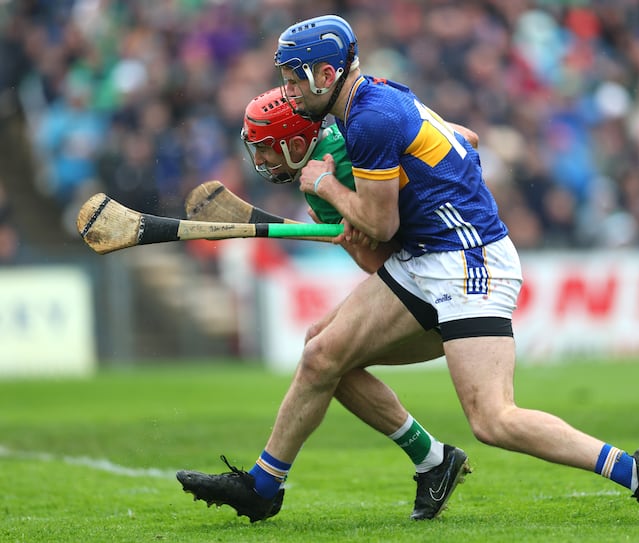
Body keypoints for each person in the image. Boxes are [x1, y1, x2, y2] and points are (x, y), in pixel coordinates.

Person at [178, 15, 639, 523]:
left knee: (493, 419)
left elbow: (379, 227)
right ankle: (273, 484)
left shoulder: (369, 118)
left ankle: (636, 471)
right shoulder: (377, 95)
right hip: (426, 258)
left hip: (468, 262)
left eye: (294, 81)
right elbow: (463, 137)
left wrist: (326, 187)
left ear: (326, 75)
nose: (289, 93)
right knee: (322, 354)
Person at [178, 87, 479, 521]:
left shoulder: (332, 168)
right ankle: (434, 461)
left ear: (297, 144)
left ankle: (263, 487)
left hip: (448, 278)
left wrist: (348, 222)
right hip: (437, 267)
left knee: (323, 355)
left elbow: (376, 261)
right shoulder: (346, 138)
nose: (259, 162)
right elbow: (467, 138)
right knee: (320, 347)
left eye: (266, 150)